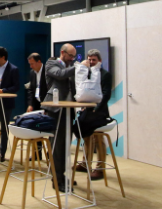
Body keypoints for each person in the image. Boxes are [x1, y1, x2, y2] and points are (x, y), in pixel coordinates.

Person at [73, 49, 113, 180]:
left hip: (100, 112)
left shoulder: (105, 74)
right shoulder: (87, 73)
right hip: (87, 111)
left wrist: (96, 109)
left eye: (94, 60)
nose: (91, 62)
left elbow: (106, 95)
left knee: (98, 138)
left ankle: (100, 168)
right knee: (86, 136)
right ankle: (85, 164)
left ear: (99, 61)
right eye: (89, 60)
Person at [44, 43, 78, 192]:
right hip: (55, 110)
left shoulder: (70, 67)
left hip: (68, 110)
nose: (72, 59)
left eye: (74, 56)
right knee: (57, 146)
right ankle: (57, 179)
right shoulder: (51, 63)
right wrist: (78, 67)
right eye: (70, 56)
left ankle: (62, 175)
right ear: (62, 53)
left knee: (65, 145)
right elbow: (60, 74)